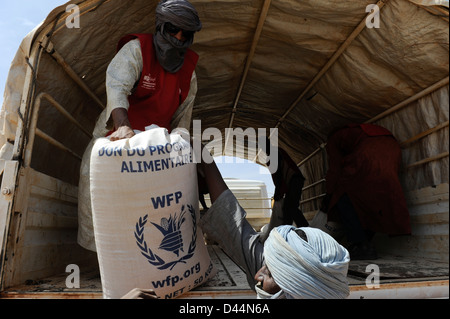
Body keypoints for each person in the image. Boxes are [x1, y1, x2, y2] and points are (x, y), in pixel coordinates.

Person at [123, 146, 351, 299]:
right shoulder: (285, 280)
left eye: (269, 274)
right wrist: (204, 156)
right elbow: (234, 226)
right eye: (266, 267)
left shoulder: (290, 279)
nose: (257, 276)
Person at [77, 0, 202, 252]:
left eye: (185, 34)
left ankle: (149, 256)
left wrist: (178, 145)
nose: (178, 37)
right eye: (172, 30)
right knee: (94, 176)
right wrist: (123, 127)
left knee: (155, 205)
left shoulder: (189, 74)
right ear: (160, 27)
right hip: (120, 136)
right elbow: (117, 86)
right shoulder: (137, 50)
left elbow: (182, 119)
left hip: (155, 146)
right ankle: (99, 257)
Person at [324, 123, 411, 260]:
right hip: (392, 150)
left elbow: (335, 169)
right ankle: (365, 243)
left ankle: (362, 244)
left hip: (367, 154)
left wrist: (329, 194)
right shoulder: (359, 131)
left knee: (343, 196)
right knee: (375, 199)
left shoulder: (333, 139)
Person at [259, 139, 308, 242]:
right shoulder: (276, 152)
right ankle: (287, 235)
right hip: (293, 181)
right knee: (288, 209)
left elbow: (280, 175)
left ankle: (307, 233)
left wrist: (278, 192)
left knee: (291, 207)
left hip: (294, 180)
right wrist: (280, 191)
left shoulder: (274, 153)